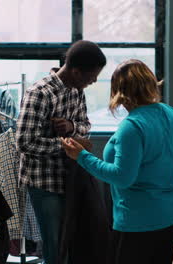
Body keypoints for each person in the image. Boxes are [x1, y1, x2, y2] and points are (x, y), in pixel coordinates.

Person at [61, 59, 173, 264]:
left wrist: (82, 156)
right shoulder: (171, 114)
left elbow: (122, 177)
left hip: (140, 220)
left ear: (120, 91)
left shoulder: (132, 126)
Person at [16, 40, 106, 264]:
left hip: (73, 179)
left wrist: (71, 127)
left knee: (74, 243)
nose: (94, 81)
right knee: (54, 248)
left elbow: (85, 124)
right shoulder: (39, 93)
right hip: (44, 183)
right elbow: (24, 142)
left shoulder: (77, 90)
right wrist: (66, 145)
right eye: (91, 76)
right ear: (76, 72)